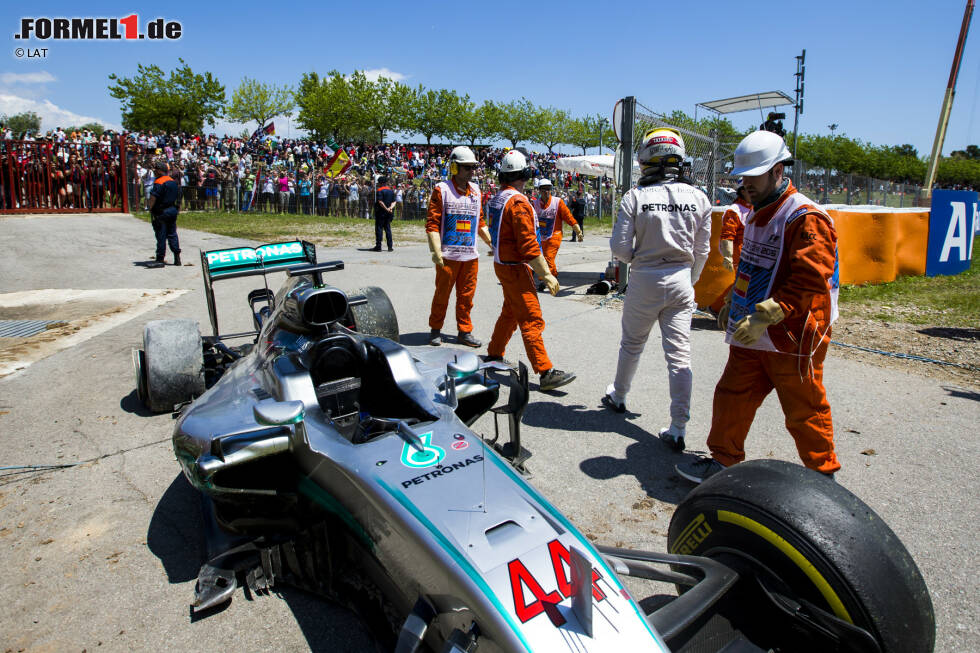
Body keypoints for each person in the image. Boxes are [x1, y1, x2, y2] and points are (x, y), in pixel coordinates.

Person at [675, 130, 842, 484]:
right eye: (743, 178)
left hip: (793, 335)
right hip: (752, 329)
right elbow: (751, 267)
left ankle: (823, 479)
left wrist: (764, 317)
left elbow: (809, 284)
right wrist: (730, 303)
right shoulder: (755, 211)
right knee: (732, 396)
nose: (745, 185)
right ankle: (723, 462)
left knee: (804, 408)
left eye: (754, 177)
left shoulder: (805, 217)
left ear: (778, 171)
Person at [601, 128, 711, 451]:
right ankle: (679, 426)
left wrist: (642, 260)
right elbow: (702, 252)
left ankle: (619, 395)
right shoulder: (700, 197)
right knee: (679, 355)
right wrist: (689, 280)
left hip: (645, 276)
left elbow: (619, 248)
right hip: (681, 279)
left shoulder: (635, 196)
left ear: (648, 159)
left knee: (632, 344)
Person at [485, 149, 575, 392]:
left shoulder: (498, 198)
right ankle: (545, 372)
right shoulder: (518, 203)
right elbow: (528, 245)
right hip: (515, 268)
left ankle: (494, 353)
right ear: (524, 174)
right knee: (531, 318)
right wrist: (546, 274)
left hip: (502, 264)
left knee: (510, 312)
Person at [426, 146, 493, 348]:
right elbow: (432, 223)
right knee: (442, 295)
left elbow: (480, 222)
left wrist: (492, 243)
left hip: (470, 257)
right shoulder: (441, 190)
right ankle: (435, 329)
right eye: (467, 168)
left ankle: (464, 331)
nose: (471, 172)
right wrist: (436, 251)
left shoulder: (476, 191)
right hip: (448, 256)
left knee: (466, 297)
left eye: (473, 167)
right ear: (455, 167)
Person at [708, 185, 752, 323]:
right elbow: (727, 236)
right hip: (740, 255)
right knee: (741, 283)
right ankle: (717, 308)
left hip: (750, 254)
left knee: (741, 283)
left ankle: (720, 308)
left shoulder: (753, 208)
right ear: (743, 192)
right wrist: (728, 256)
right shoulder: (734, 210)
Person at [532, 178, 582, 292]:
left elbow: (568, 217)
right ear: (539, 190)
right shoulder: (534, 204)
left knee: (549, 258)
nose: (546, 192)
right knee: (542, 259)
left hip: (555, 235)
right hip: (540, 237)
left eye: (548, 189)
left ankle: (544, 280)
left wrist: (577, 230)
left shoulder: (557, 202)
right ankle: (553, 276)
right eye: (544, 189)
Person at [147, 161, 181, 266]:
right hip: (172, 210)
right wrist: (177, 208)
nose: (154, 172)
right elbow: (179, 196)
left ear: (160, 171)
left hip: (161, 212)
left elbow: (154, 196)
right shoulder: (173, 182)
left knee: (161, 234)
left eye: (156, 170)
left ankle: (160, 258)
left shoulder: (159, 182)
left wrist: (150, 208)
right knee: (172, 234)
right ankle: (177, 257)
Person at [372, 175, 396, 251]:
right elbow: (394, 201)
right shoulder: (391, 191)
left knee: (379, 229)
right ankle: (390, 246)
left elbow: (380, 202)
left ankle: (378, 246)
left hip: (381, 212)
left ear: (380, 183)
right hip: (389, 213)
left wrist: (386, 209)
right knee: (388, 228)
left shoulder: (379, 191)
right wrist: (390, 208)